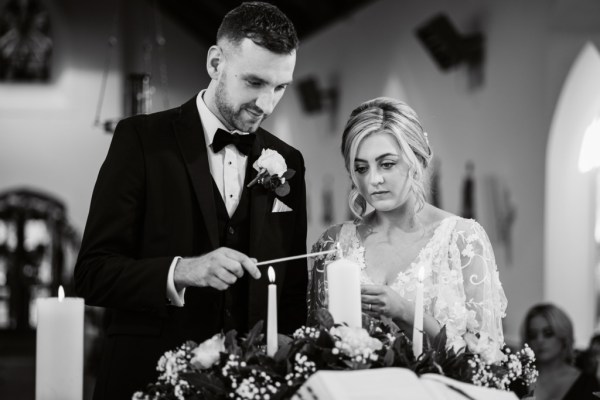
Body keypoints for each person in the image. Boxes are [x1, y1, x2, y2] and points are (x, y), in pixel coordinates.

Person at [74, 3, 307, 399]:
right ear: (216, 62)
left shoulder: (289, 161)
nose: (267, 104)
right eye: (254, 82)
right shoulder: (141, 141)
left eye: (280, 87)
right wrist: (181, 271)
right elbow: (93, 274)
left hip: (250, 385)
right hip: (148, 377)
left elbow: (291, 289)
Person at [307, 97, 507, 363]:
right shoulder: (334, 244)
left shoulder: (462, 239)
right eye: (361, 168)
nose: (373, 180)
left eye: (387, 164)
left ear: (419, 160)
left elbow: (485, 359)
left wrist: (405, 311)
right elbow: (314, 345)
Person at [523, 303, 600, 400]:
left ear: (563, 337)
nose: (540, 340)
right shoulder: (517, 379)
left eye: (548, 333)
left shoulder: (586, 384)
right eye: (533, 335)